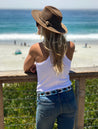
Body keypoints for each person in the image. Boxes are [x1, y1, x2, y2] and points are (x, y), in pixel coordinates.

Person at [24, 6, 77, 129]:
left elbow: (26, 68)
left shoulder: (36, 48)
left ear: (42, 27)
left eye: (38, 23)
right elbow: (58, 62)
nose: (36, 26)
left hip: (48, 100)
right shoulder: (70, 46)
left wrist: (37, 65)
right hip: (68, 96)